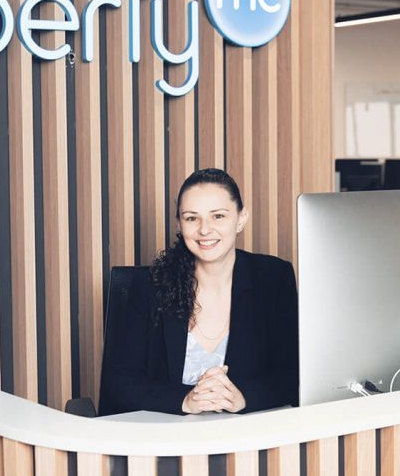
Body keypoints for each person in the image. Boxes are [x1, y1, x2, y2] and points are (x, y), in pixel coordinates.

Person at [98, 168, 298, 415]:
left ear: (241, 218)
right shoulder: (151, 285)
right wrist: (186, 400)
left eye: (218, 216)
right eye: (192, 218)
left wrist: (243, 396)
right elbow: (118, 381)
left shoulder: (273, 277)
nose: (205, 230)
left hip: (246, 440)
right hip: (164, 438)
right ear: (180, 224)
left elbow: (294, 372)